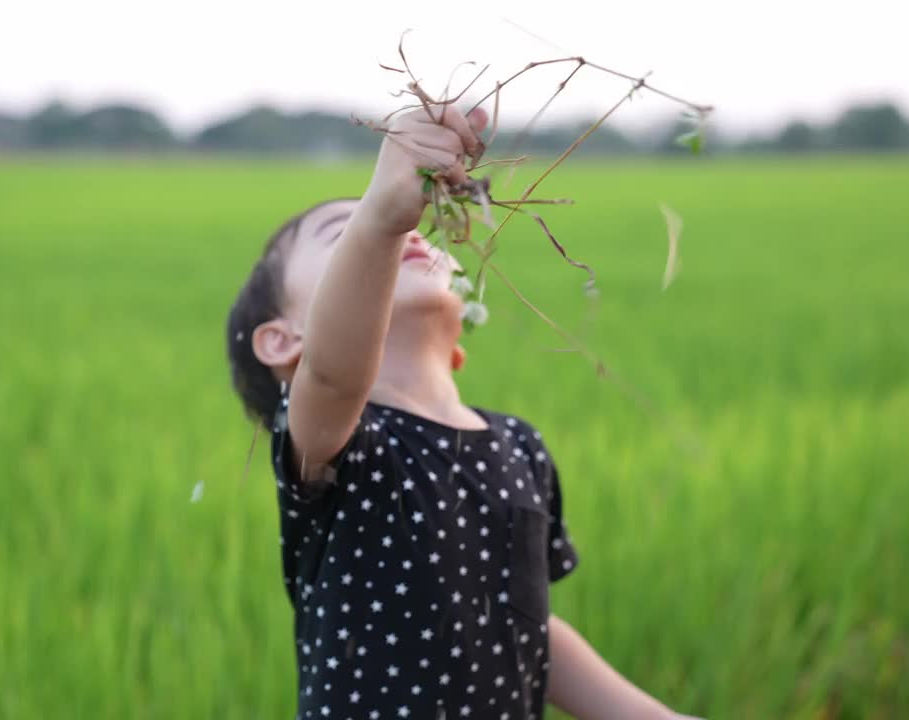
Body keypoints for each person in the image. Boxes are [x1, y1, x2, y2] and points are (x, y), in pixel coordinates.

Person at [226, 104, 696, 720]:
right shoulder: (333, 440)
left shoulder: (519, 445)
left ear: (458, 344)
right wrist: (380, 220)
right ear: (286, 343)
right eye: (344, 238)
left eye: (411, 230)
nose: (411, 233)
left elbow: (532, 634)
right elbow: (336, 371)